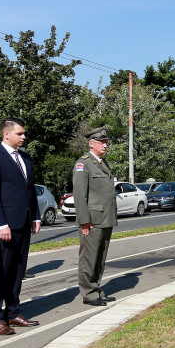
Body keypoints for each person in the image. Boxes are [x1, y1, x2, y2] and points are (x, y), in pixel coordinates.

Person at [0, 118, 41, 335]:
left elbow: (29, 189)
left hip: (24, 222)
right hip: (5, 225)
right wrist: (1, 223)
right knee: (0, 271)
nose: (24, 137)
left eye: (24, 133)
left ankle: (13, 312)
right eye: (20, 133)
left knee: (18, 269)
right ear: (7, 134)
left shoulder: (24, 157)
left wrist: (35, 216)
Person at [72, 128, 118, 306]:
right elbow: (79, 195)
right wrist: (84, 221)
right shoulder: (83, 164)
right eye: (101, 142)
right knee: (88, 258)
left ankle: (96, 288)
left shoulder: (102, 163)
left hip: (106, 218)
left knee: (100, 258)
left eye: (106, 142)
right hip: (92, 220)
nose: (105, 145)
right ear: (91, 144)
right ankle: (88, 293)